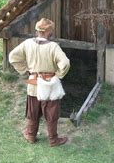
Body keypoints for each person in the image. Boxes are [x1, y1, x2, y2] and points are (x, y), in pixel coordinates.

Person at [8, 18, 70, 147]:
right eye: (51, 29)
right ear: (48, 31)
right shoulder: (53, 46)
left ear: (37, 30)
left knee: (33, 110)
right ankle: (53, 140)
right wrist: (58, 75)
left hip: (33, 83)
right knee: (52, 112)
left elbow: (12, 57)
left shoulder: (27, 44)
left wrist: (24, 71)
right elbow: (65, 63)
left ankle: (31, 135)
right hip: (50, 85)